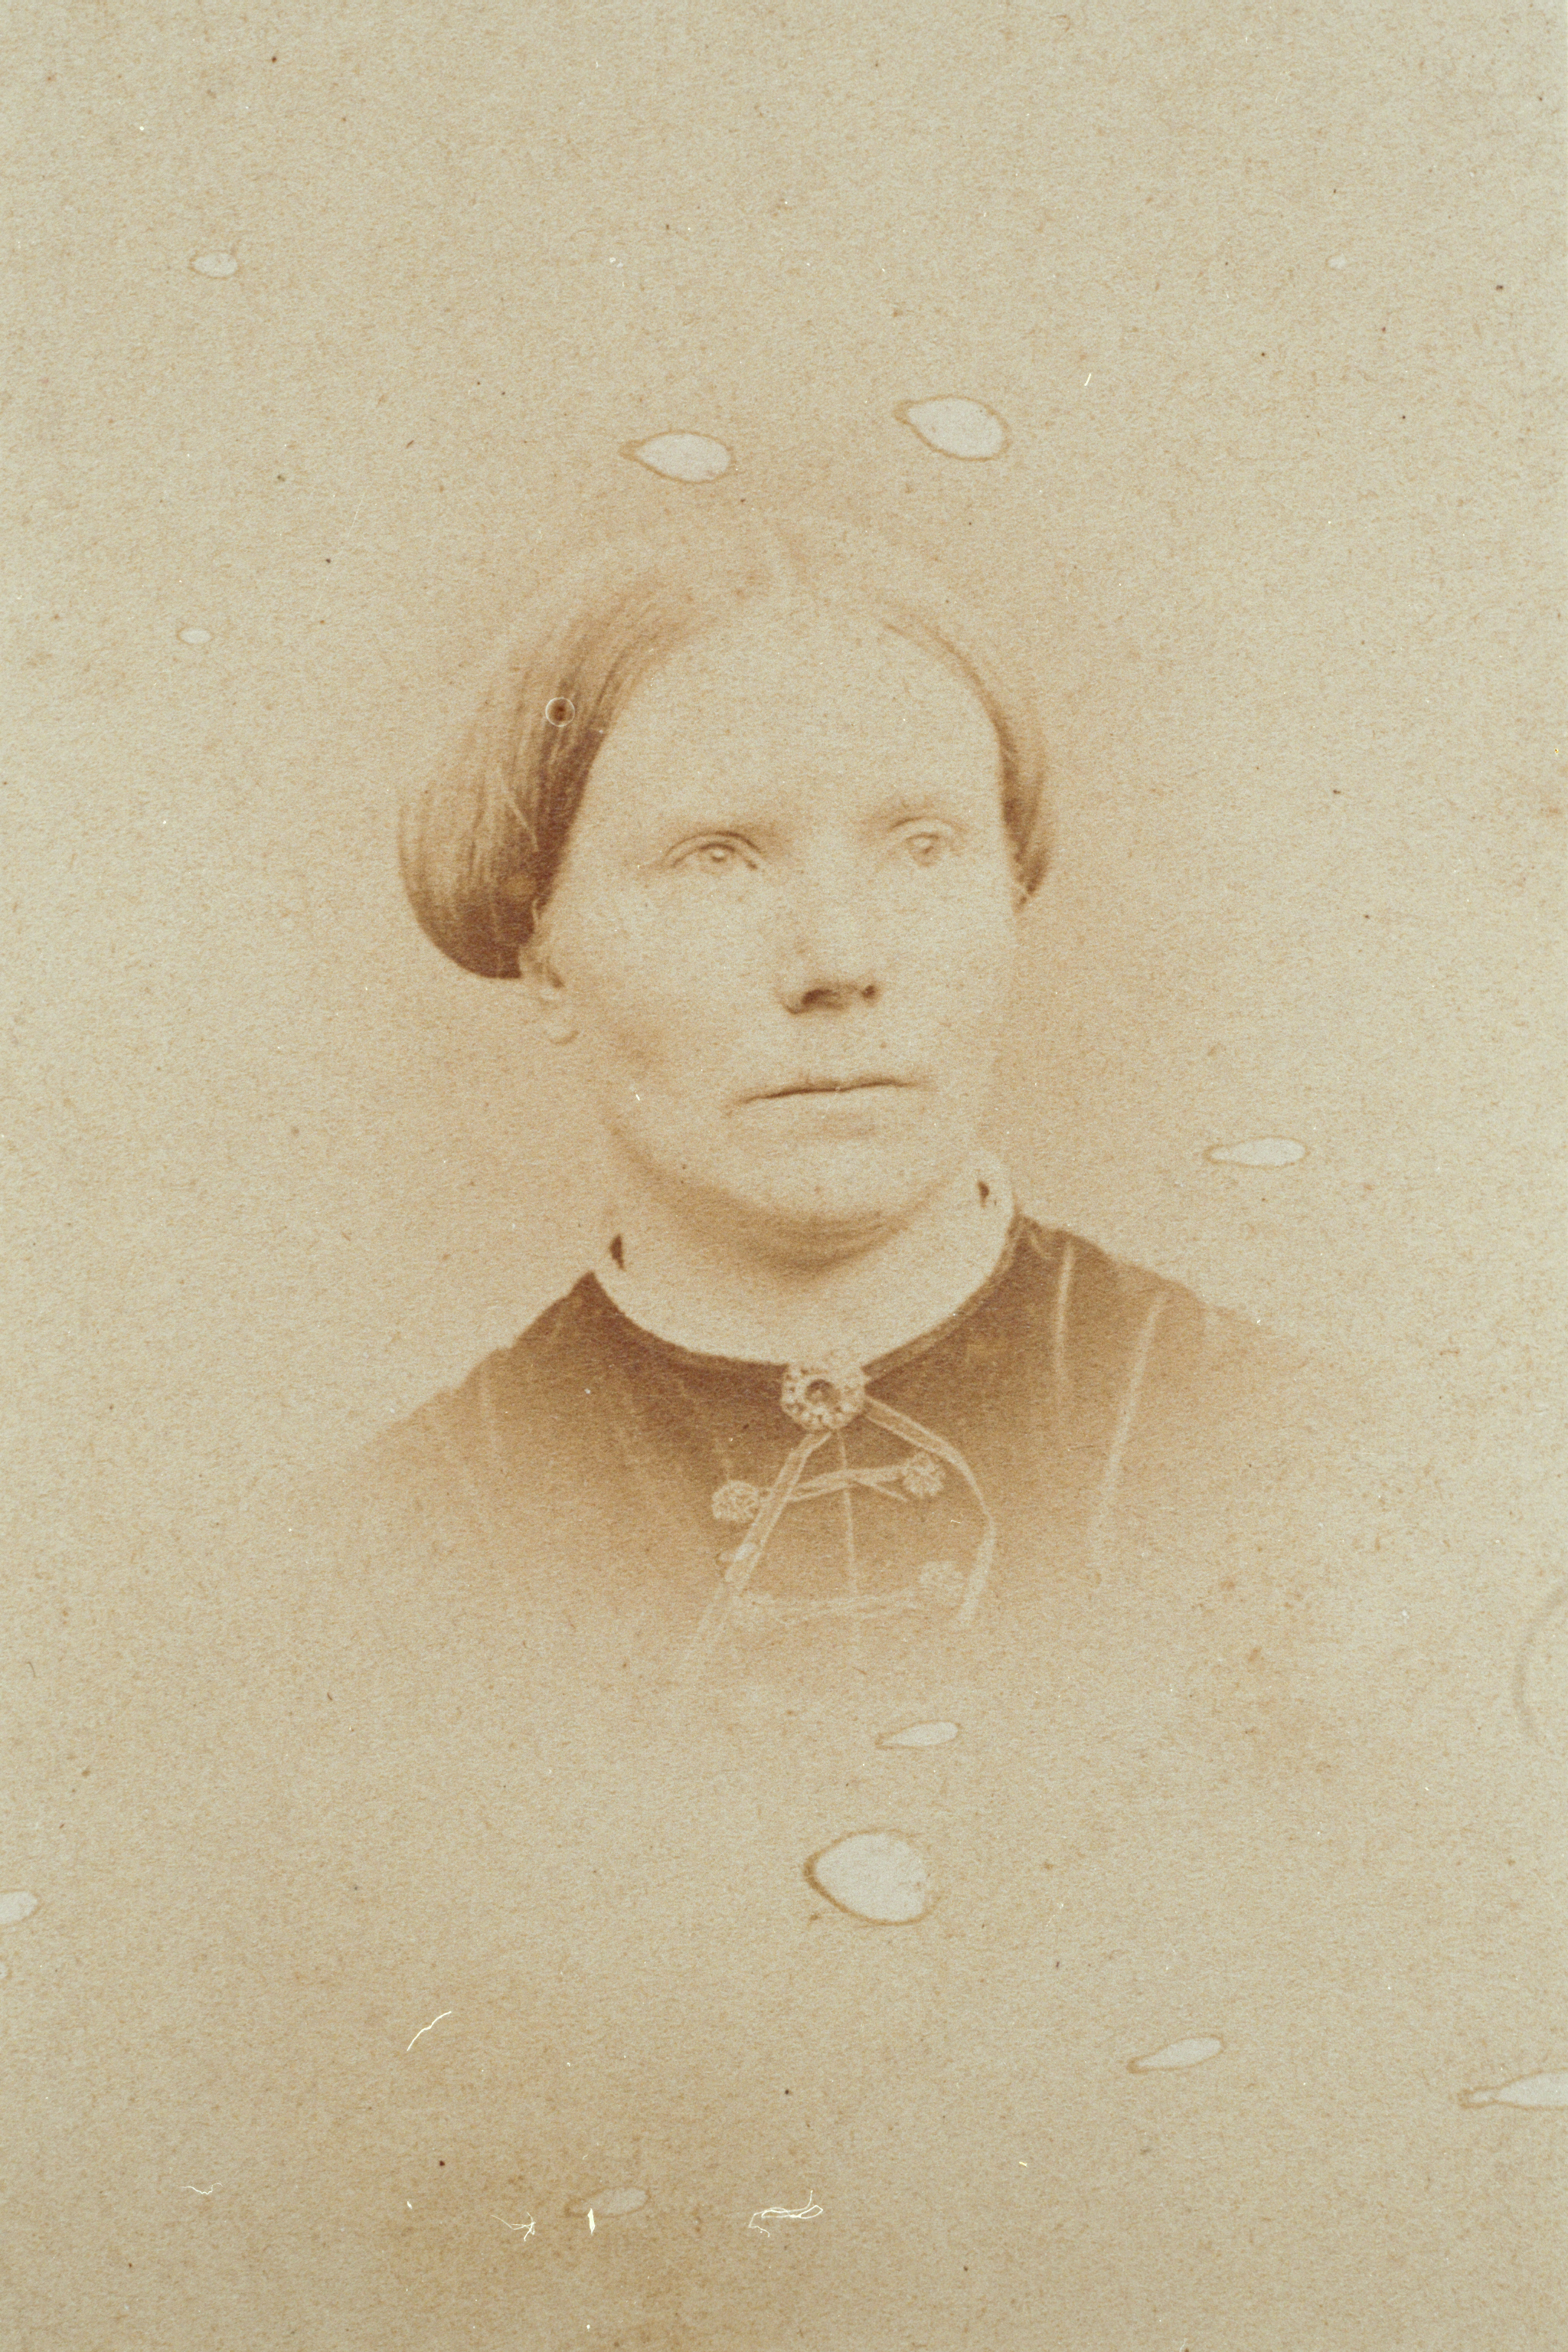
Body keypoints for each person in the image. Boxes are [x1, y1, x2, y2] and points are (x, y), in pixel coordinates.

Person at [200, 513, 1559, 2350]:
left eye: (921, 846)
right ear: (542, 945)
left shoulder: (1338, 1482)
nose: (838, 958)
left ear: (1008, 895)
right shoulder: (363, 1578)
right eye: (716, 858)